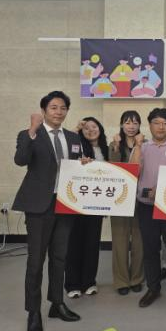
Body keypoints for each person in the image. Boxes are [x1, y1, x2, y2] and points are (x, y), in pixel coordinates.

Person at [13, 91, 83, 331]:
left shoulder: (73, 137)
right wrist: (32, 131)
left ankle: (57, 303)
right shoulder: (29, 134)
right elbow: (20, 160)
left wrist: (83, 164)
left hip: (64, 204)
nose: (58, 112)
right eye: (53, 107)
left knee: (59, 257)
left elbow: (75, 166)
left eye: (63, 108)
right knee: (36, 261)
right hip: (38, 206)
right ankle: (33, 311)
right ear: (44, 110)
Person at [130, 108, 166, 309]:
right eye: (156, 123)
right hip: (146, 206)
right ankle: (153, 288)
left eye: (165, 123)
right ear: (150, 125)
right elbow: (133, 171)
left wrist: (161, 188)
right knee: (150, 248)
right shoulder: (142, 147)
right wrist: (138, 146)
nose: (161, 127)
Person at [64, 117, 108, 299]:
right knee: (74, 244)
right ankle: (72, 284)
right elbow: (67, 161)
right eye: (86, 128)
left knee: (92, 243)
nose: (91, 130)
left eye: (94, 126)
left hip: (97, 205)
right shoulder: (77, 147)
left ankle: (89, 282)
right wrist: (76, 131)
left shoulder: (106, 149)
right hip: (77, 203)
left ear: (100, 128)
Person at [109, 110, 145, 296]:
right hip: (119, 199)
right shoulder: (114, 144)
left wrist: (139, 146)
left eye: (135, 123)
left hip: (140, 199)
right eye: (127, 122)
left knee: (139, 241)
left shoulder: (146, 144)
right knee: (120, 241)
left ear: (140, 125)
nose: (131, 126)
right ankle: (121, 280)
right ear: (122, 124)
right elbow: (113, 169)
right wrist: (116, 147)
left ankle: (137, 278)